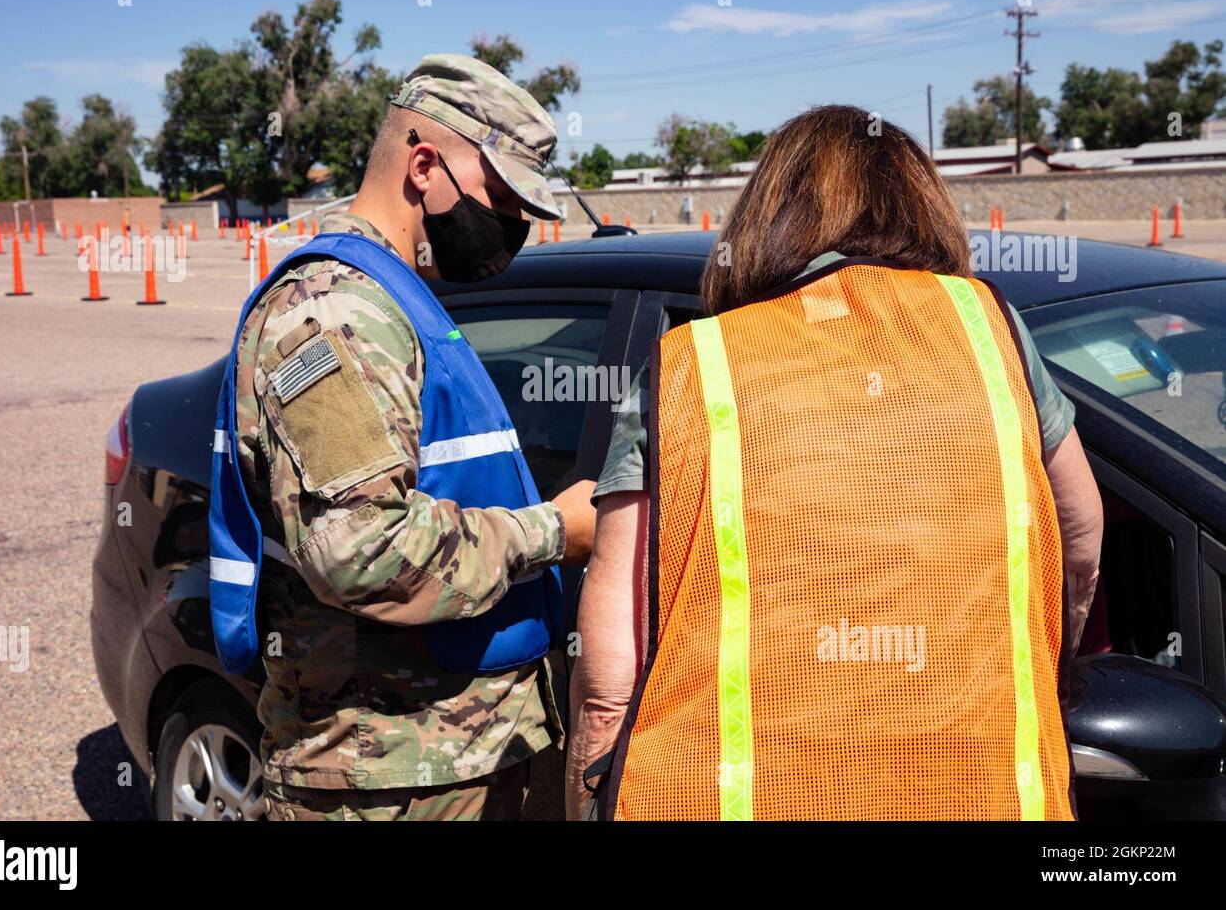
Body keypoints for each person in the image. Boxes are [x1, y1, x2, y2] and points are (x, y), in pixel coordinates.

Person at [567, 105, 1103, 821]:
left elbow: (611, 671)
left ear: (767, 216)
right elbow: (1080, 542)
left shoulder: (692, 364)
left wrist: (585, 790)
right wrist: (1044, 668)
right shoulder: (990, 333)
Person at [207, 53, 596, 821]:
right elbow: (360, 550)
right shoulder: (332, 315)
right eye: (503, 200)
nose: (512, 227)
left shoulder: (392, 297)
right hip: (381, 778)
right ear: (425, 165)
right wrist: (555, 531)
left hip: (436, 762)